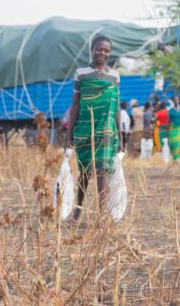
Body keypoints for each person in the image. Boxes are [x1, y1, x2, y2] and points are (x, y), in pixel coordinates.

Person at [65, 35, 122, 222]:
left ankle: (102, 213)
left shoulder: (114, 76)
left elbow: (115, 107)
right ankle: (78, 208)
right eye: (99, 49)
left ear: (110, 53)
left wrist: (120, 136)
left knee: (102, 170)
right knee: (84, 172)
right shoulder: (81, 73)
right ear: (92, 49)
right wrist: (68, 134)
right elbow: (75, 105)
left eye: (106, 50)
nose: (102, 53)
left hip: (106, 129)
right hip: (84, 128)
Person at [167, 96, 180, 160]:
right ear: (173, 101)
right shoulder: (170, 111)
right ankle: (175, 159)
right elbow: (169, 122)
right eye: (175, 100)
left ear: (179, 100)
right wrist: (167, 132)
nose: (176, 101)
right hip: (173, 130)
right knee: (173, 144)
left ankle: (179, 158)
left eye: (177, 99)